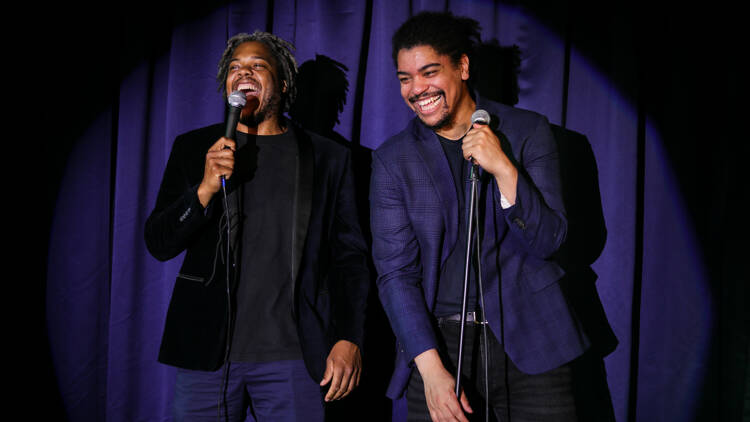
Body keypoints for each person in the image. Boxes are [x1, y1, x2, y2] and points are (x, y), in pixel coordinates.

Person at [370, 12, 589, 421]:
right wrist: (431, 371)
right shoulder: (392, 160)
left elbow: (550, 240)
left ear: (463, 67)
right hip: (441, 349)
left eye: (429, 72)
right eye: (405, 78)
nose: (417, 89)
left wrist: (505, 169)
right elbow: (395, 274)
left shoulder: (527, 132)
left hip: (534, 343)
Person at [145, 31, 370, 421]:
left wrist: (349, 337)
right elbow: (159, 242)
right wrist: (203, 190)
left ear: (282, 83)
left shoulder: (329, 158)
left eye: (257, 66)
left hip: (294, 358)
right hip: (207, 356)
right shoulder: (193, 148)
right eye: (235, 68)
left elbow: (350, 259)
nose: (242, 72)